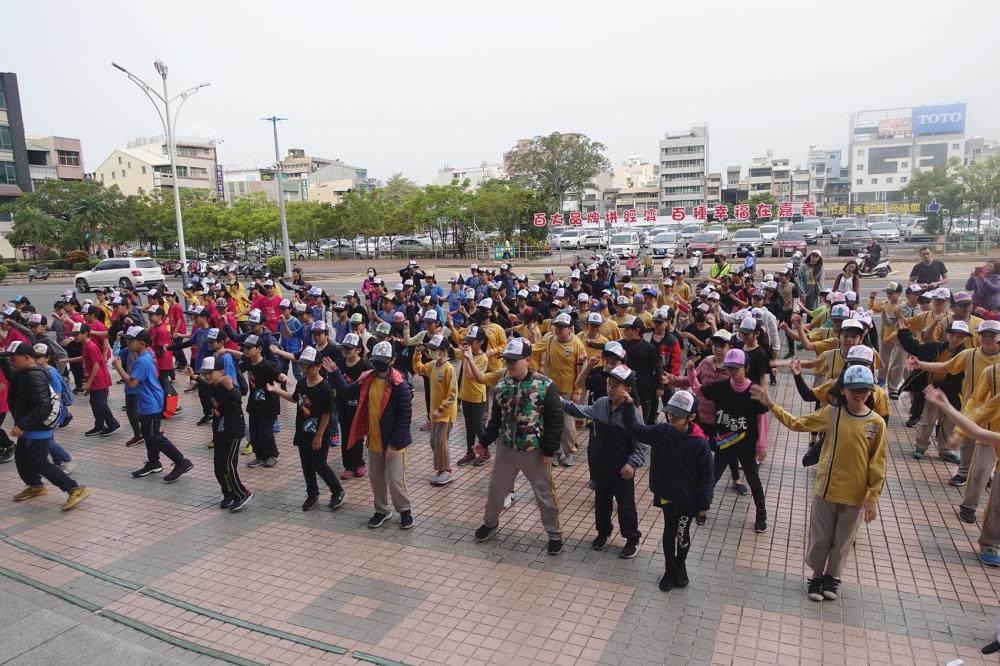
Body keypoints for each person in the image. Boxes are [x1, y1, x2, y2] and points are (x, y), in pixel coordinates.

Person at [751, 365, 885, 602]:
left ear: (871, 391)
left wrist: (872, 496)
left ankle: (833, 577)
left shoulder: (876, 423)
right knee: (821, 536)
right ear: (843, 390)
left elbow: (877, 463)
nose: (859, 393)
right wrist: (771, 404)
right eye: (854, 388)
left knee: (843, 540)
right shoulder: (831, 414)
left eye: (864, 389)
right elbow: (798, 423)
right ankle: (816, 575)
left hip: (855, 495)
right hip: (826, 489)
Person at [473, 338, 564, 555]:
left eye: (514, 360)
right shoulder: (502, 386)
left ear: (528, 360)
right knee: (496, 489)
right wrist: (484, 442)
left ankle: (554, 533)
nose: (510, 364)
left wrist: (550, 449)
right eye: (507, 360)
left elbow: (555, 419)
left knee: (544, 493)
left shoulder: (546, 385)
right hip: (506, 450)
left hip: (536, 452)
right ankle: (490, 522)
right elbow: (496, 420)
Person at [625, 389, 713, 591]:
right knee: (668, 531)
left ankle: (680, 566)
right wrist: (630, 406)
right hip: (666, 494)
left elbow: (707, 475)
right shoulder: (662, 431)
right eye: (670, 412)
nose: (672, 416)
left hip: (688, 499)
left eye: (678, 414)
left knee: (682, 533)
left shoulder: (700, 443)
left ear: (691, 417)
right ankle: (669, 568)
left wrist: (703, 504)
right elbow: (637, 430)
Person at [326, 341, 414, 530]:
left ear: (392, 360)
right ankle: (381, 510)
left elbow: (404, 418)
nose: (379, 366)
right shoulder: (367, 377)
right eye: (376, 361)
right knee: (376, 478)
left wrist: (394, 444)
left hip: (393, 444)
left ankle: (405, 511)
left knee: (395, 479)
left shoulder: (400, 384)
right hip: (374, 439)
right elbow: (348, 393)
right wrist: (334, 373)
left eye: (383, 361)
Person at [561, 365, 644, 558]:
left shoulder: (632, 414)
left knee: (626, 506)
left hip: (623, 469)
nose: (610, 388)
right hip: (602, 466)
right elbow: (581, 410)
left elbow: (641, 444)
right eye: (609, 384)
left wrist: (632, 464)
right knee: (601, 503)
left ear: (628, 390)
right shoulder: (600, 404)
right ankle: (603, 533)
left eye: (616, 385)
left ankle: (632, 539)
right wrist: (559, 402)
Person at [688, 348, 769, 533]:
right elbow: (699, 391)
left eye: (736, 367)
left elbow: (761, 420)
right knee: (712, 476)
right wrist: (692, 372)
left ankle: (761, 515)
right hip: (724, 443)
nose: (732, 371)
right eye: (729, 367)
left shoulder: (755, 390)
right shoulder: (722, 386)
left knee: (753, 480)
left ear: (746, 368)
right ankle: (702, 508)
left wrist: (762, 446)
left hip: (746, 445)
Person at [3, 341, 90, 510]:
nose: (11, 362)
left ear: (27, 358)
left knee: (39, 462)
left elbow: (43, 406)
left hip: (37, 428)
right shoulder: (23, 372)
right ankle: (36, 486)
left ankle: (75, 489)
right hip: (28, 426)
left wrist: (22, 426)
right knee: (22, 459)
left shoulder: (33, 376)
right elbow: (10, 376)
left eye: (13, 359)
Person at [923, 386, 1000, 568]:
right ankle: (989, 545)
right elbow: (977, 429)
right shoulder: (991, 371)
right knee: (997, 507)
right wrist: (947, 407)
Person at [113, 327, 194, 483]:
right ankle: (153, 462)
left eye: (131, 341)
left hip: (151, 403)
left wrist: (118, 367)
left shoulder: (143, 361)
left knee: (154, 436)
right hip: (147, 402)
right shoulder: (145, 354)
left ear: (142, 343)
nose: (128, 344)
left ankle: (182, 462)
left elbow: (132, 382)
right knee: (149, 434)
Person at [269, 347, 346, 512]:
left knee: (319, 464)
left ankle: (337, 491)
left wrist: (319, 436)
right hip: (302, 432)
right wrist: (277, 390)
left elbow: (327, 413)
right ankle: (312, 494)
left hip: (318, 434)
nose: (303, 369)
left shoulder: (324, 387)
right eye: (302, 366)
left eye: (307, 367)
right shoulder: (303, 383)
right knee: (306, 465)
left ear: (318, 366)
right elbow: (295, 398)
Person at [186, 356, 252, 512]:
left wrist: (229, 387)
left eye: (210, 372)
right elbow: (204, 382)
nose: (207, 376)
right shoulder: (211, 384)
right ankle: (228, 493)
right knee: (218, 465)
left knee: (228, 465)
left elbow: (237, 398)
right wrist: (194, 376)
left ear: (221, 371)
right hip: (220, 432)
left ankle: (243, 494)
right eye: (205, 373)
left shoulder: (226, 383)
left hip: (233, 431)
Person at [540, 312, 587, 465]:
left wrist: (577, 391)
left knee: (567, 424)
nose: (558, 330)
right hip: (552, 388)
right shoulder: (550, 340)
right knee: (552, 422)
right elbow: (544, 359)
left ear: (570, 329)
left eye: (562, 327)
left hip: (568, 390)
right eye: (556, 326)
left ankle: (570, 452)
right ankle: (555, 451)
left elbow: (582, 370)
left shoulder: (577, 345)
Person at [412, 334, 458, 485]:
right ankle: (442, 467)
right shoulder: (432, 365)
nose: (431, 351)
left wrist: (441, 409)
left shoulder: (449, 369)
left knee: (441, 442)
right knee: (434, 442)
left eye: (434, 349)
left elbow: (452, 394)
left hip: (445, 414)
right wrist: (417, 353)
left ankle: (446, 470)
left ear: (444, 351)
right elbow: (418, 369)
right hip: (435, 413)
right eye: (431, 348)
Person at [238, 334, 285, 468]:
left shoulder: (267, 365)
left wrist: (284, 378)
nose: (246, 350)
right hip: (254, 404)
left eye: (249, 348)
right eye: (245, 347)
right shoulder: (248, 362)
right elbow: (239, 355)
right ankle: (259, 456)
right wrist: (226, 350)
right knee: (255, 432)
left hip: (268, 405)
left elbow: (278, 374)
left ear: (259, 349)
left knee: (265, 432)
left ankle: (272, 455)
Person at [69, 323, 120, 437]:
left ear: (85, 334)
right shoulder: (85, 345)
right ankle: (99, 425)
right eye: (74, 334)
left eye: (77, 334)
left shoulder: (91, 346)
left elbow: (96, 366)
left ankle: (112, 423)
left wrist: (88, 382)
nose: (75, 337)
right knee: (94, 403)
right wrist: (67, 360)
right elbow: (84, 358)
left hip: (99, 380)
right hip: (95, 380)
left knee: (101, 404)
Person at [334, 333, 372, 479]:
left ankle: (359, 464)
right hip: (343, 407)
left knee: (358, 437)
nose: (346, 351)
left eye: (350, 348)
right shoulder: (339, 364)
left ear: (358, 350)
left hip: (359, 408)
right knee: (346, 436)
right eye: (345, 348)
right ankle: (348, 466)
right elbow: (333, 382)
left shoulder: (365, 366)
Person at [456, 326, 490, 467]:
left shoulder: (483, 358)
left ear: (480, 342)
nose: (468, 344)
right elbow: (453, 352)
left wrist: (469, 358)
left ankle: (485, 453)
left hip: (477, 397)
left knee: (478, 427)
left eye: (472, 341)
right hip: (465, 395)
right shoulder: (467, 353)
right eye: (468, 341)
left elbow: (471, 375)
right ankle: (470, 452)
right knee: (468, 426)